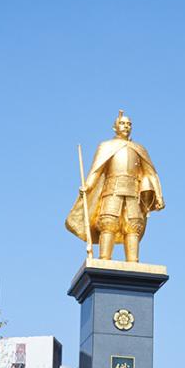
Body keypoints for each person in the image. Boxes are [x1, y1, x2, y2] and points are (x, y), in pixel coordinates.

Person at [65, 110, 165, 262]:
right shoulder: (106, 146)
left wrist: (158, 195)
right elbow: (96, 170)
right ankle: (104, 258)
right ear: (115, 127)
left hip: (133, 191)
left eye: (129, 124)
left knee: (133, 225)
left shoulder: (139, 148)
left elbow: (150, 172)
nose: (126, 126)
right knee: (108, 222)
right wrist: (88, 186)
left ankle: (133, 261)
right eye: (122, 123)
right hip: (112, 189)